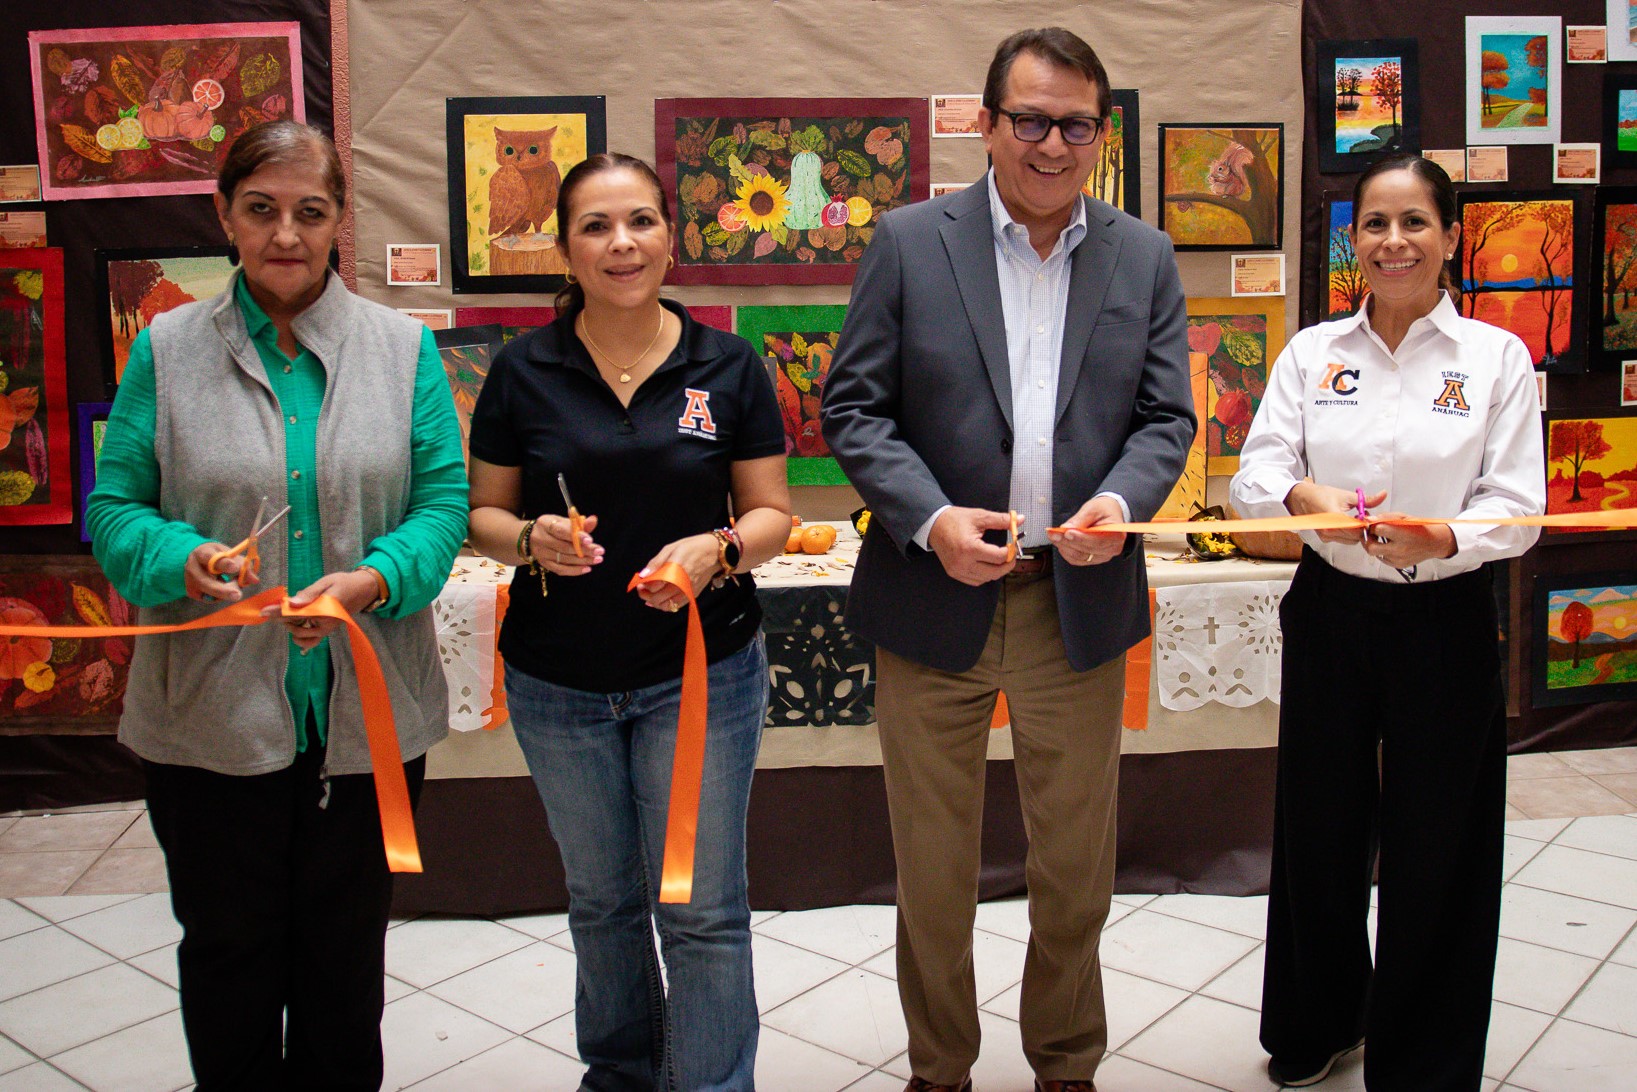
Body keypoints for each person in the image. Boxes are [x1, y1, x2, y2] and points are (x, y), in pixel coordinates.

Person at [821, 28, 1195, 1092]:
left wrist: (1119, 502)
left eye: (1074, 124)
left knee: (1073, 869)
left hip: (1072, 602)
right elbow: (853, 407)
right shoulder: (907, 242)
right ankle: (938, 1067)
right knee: (931, 872)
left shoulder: (1142, 254)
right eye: (1026, 118)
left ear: (1098, 134)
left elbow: (1165, 417)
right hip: (930, 597)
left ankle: (1065, 1064)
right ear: (984, 123)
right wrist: (930, 517)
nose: (1049, 143)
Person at [86, 120, 468, 1090]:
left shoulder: (401, 349)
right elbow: (114, 507)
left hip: (366, 715)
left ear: (339, 218)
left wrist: (375, 578)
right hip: (207, 722)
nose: (285, 235)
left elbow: (441, 506)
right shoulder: (166, 351)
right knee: (228, 955)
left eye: (309, 211)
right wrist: (182, 556)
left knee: (343, 964)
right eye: (261, 210)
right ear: (225, 215)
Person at [465, 152, 790, 1092]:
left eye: (641, 221)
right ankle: (619, 1075)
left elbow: (769, 512)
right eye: (596, 227)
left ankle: (712, 1083)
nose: (621, 244)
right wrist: (533, 538)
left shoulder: (725, 364)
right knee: (602, 903)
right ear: (563, 249)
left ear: (669, 235)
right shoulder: (522, 371)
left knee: (700, 907)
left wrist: (715, 552)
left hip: (702, 676)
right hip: (557, 681)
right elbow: (481, 515)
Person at [1230, 153, 1544, 1090]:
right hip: (1331, 609)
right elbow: (1250, 477)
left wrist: (1441, 534)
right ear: (1351, 242)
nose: (1393, 242)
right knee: (1318, 824)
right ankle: (1318, 1021)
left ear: (1450, 238)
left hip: (1442, 615)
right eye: (1374, 224)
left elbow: (1517, 506)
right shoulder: (1311, 354)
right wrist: (1300, 492)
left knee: (1440, 838)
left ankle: (1425, 1059)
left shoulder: (1494, 359)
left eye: (1414, 223)